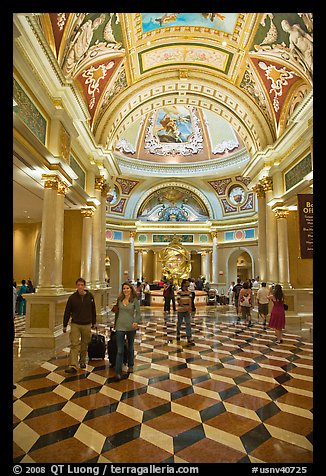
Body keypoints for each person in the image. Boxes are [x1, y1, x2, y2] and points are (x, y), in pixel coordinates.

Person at [63, 277, 96, 373]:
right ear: (76, 286)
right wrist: (65, 324)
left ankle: (82, 361)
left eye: (82, 285)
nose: (80, 287)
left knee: (84, 344)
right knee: (74, 344)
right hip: (75, 324)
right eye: (78, 285)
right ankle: (73, 365)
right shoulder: (72, 298)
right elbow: (67, 311)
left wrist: (94, 322)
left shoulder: (90, 296)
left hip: (87, 324)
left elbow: (93, 310)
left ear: (84, 286)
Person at [114, 282, 142, 380]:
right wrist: (114, 325)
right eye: (124, 288)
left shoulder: (134, 300)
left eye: (127, 288)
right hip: (120, 326)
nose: (125, 290)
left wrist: (136, 322)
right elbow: (116, 313)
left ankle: (130, 365)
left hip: (131, 327)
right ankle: (118, 371)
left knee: (130, 347)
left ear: (131, 289)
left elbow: (138, 313)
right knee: (120, 350)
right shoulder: (120, 299)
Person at [176, 279, 195, 346]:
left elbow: (190, 300)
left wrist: (189, 307)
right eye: (187, 283)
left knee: (188, 323)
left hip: (187, 310)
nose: (188, 284)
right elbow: (179, 300)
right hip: (181, 310)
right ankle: (178, 333)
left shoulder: (189, 292)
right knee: (179, 322)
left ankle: (189, 337)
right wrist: (184, 306)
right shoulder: (179, 292)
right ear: (183, 284)